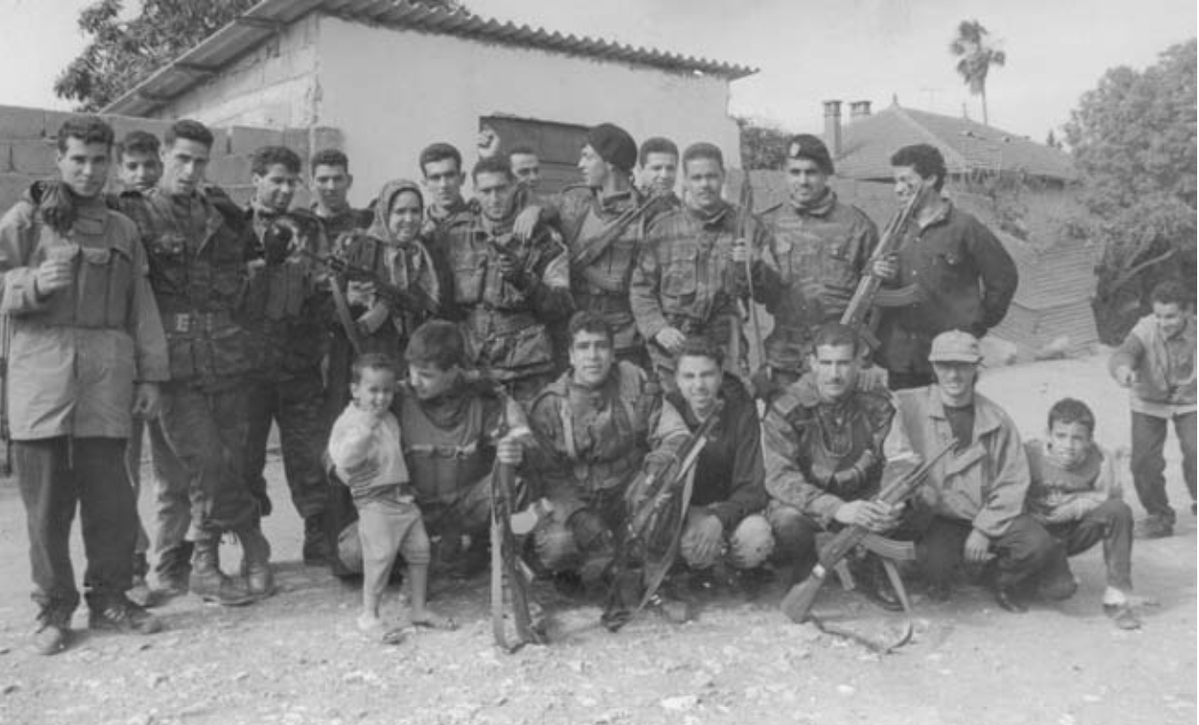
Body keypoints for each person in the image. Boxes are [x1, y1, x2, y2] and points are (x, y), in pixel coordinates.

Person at [0, 116, 169, 654]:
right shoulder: (25, 219)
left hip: (105, 381)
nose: (89, 171)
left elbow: (142, 306)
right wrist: (30, 283)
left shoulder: (122, 229)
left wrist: (151, 375)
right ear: (59, 159)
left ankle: (111, 599)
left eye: (99, 160)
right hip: (40, 381)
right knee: (46, 509)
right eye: (78, 159)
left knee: (110, 502)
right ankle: (53, 609)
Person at [118, 119, 271, 606]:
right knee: (204, 461)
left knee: (228, 460)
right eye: (181, 158)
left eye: (199, 162)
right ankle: (251, 542)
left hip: (223, 354)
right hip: (171, 363)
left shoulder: (218, 213)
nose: (189, 170)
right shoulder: (133, 211)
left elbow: (248, 268)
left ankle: (205, 563)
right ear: (163, 155)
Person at [889, 330, 1071, 612]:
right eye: (945, 365)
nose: (953, 375)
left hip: (987, 513)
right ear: (933, 366)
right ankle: (954, 567)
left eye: (962, 366)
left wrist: (984, 530)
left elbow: (1012, 482)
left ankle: (1001, 579)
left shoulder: (996, 419)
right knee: (934, 569)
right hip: (940, 518)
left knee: (1037, 545)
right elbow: (871, 399)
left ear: (976, 367)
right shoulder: (908, 404)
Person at [331, 320, 527, 580]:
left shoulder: (484, 399)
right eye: (412, 370)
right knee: (353, 552)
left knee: (515, 483)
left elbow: (524, 443)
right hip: (410, 509)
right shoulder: (394, 398)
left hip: (467, 507)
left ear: (453, 372)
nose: (415, 381)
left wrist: (515, 450)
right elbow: (341, 440)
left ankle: (480, 550)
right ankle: (440, 556)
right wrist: (340, 467)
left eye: (426, 375)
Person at [525, 312, 689, 590]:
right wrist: (577, 514)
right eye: (583, 347)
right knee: (558, 546)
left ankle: (639, 569)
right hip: (577, 499)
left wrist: (651, 476)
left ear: (613, 353)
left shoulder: (634, 382)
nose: (593, 356)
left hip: (628, 495)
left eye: (601, 346)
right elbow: (548, 475)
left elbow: (675, 434)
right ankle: (573, 574)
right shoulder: (550, 404)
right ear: (571, 356)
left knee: (659, 513)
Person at [762, 322, 912, 613]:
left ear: (858, 363)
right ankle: (807, 565)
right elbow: (780, 478)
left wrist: (887, 501)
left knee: (921, 500)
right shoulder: (786, 409)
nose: (834, 373)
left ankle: (868, 565)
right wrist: (836, 508)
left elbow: (899, 458)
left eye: (843, 363)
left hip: (865, 500)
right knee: (787, 519)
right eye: (827, 363)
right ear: (813, 363)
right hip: (813, 506)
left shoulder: (878, 403)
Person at [242, 145, 333, 565]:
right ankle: (251, 542)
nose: (283, 190)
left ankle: (317, 534)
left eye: (290, 183)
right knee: (246, 457)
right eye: (275, 181)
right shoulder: (234, 226)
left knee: (308, 453)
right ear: (256, 179)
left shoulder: (309, 229)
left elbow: (324, 287)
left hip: (298, 363)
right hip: (248, 366)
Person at [630, 142, 780, 389]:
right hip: (673, 354)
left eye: (711, 176)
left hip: (725, 354)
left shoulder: (748, 226)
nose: (704, 184)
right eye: (696, 178)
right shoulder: (663, 229)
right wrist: (658, 329)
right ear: (685, 181)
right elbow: (640, 288)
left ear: (723, 176)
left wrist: (754, 266)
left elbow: (772, 295)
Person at [328, 353, 456, 641]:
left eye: (386, 391)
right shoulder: (350, 421)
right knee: (380, 556)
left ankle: (419, 609)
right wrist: (364, 431)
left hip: (402, 498)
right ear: (355, 390)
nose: (381, 397)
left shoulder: (389, 418)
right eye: (373, 390)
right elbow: (342, 457)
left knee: (420, 550)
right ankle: (368, 615)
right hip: (375, 500)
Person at [113, 130, 188, 606]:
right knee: (122, 472)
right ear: (120, 170)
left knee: (174, 469)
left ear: (162, 164)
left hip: (170, 357)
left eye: (150, 165)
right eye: (133, 166)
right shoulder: (109, 212)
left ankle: (172, 557)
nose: (142, 175)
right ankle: (132, 563)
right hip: (122, 358)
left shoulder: (178, 211)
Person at [872, 144, 1018, 390]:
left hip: (952, 358)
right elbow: (880, 285)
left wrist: (977, 323)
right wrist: (879, 273)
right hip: (903, 359)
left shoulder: (965, 227)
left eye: (906, 180)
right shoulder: (895, 228)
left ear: (930, 179)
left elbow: (1003, 278)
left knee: (954, 415)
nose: (898, 189)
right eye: (895, 181)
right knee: (907, 415)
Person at [436, 156, 573, 404]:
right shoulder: (454, 235)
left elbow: (561, 306)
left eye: (501, 189)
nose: (494, 198)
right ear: (474, 192)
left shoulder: (543, 238)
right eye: (486, 191)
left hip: (525, 369)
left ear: (514, 188)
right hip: (470, 363)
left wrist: (525, 280)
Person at [658, 337, 773, 616]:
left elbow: (753, 487)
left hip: (731, 507)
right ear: (677, 379)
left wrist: (719, 518)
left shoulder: (741, 412)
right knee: (694, 548)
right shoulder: (667, 411)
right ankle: (699, 572)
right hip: (688, 509)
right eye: (689, 376)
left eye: (707, 374)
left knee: (756, 540)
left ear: (721, 375)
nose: (699, 385)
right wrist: (693, 517)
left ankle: (739, 569)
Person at [758, 136, 878, 389]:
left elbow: (875, 297)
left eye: (811, 172)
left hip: (839, 361)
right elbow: (759, 290)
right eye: (795, 172)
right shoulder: (768, 224)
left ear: (826, 174)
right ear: (784, 174)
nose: (803, 181)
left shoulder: (856, 225)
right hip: (786, 359)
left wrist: (866, 356)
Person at [549, 123, 662, 367]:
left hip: (624, 335)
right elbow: (521, 204)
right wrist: (532, 211)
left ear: (609, 162)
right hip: (575, 329)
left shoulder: (648, 213)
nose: (580, 164)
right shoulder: (574, 200)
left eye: (588, 157)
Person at [1025, 398, 1142, 629]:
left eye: (1077, 438)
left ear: (1089, 440)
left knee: (1118, 511)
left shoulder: (1100, 460)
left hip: (1073, 532)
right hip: (1037, 535)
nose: (1068, 445)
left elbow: (1109, 498)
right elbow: (1009, 494)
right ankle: (1018, 574)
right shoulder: (1029, 455)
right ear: (1048, 434)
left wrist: (1075, 506)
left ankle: (1117, 596)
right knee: (1058, 590)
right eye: (1061, 436)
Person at [1109, 279, 1196, 538]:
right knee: (1143, 462)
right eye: (1158, 315)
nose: (1163, 323)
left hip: (1190, 401)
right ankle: (1159, 515)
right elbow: (1124, 353)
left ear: (1188, 311)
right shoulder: (1145, 329)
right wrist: (1123, 370)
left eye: (1170, 316)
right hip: (1148, 401)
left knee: (1196, 449)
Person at [309, 148, 372, 241]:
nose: (331, 187)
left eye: (337, 179)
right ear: (311, 184)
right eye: (323, 180)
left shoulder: (367, 225)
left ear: (349, 181)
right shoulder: (300, 226)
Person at [637, 137, 682, 210]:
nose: (664, 175)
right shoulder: (624, 209)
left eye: (670, 168)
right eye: (656, 168)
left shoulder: (686, 212)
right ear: (640, 169)